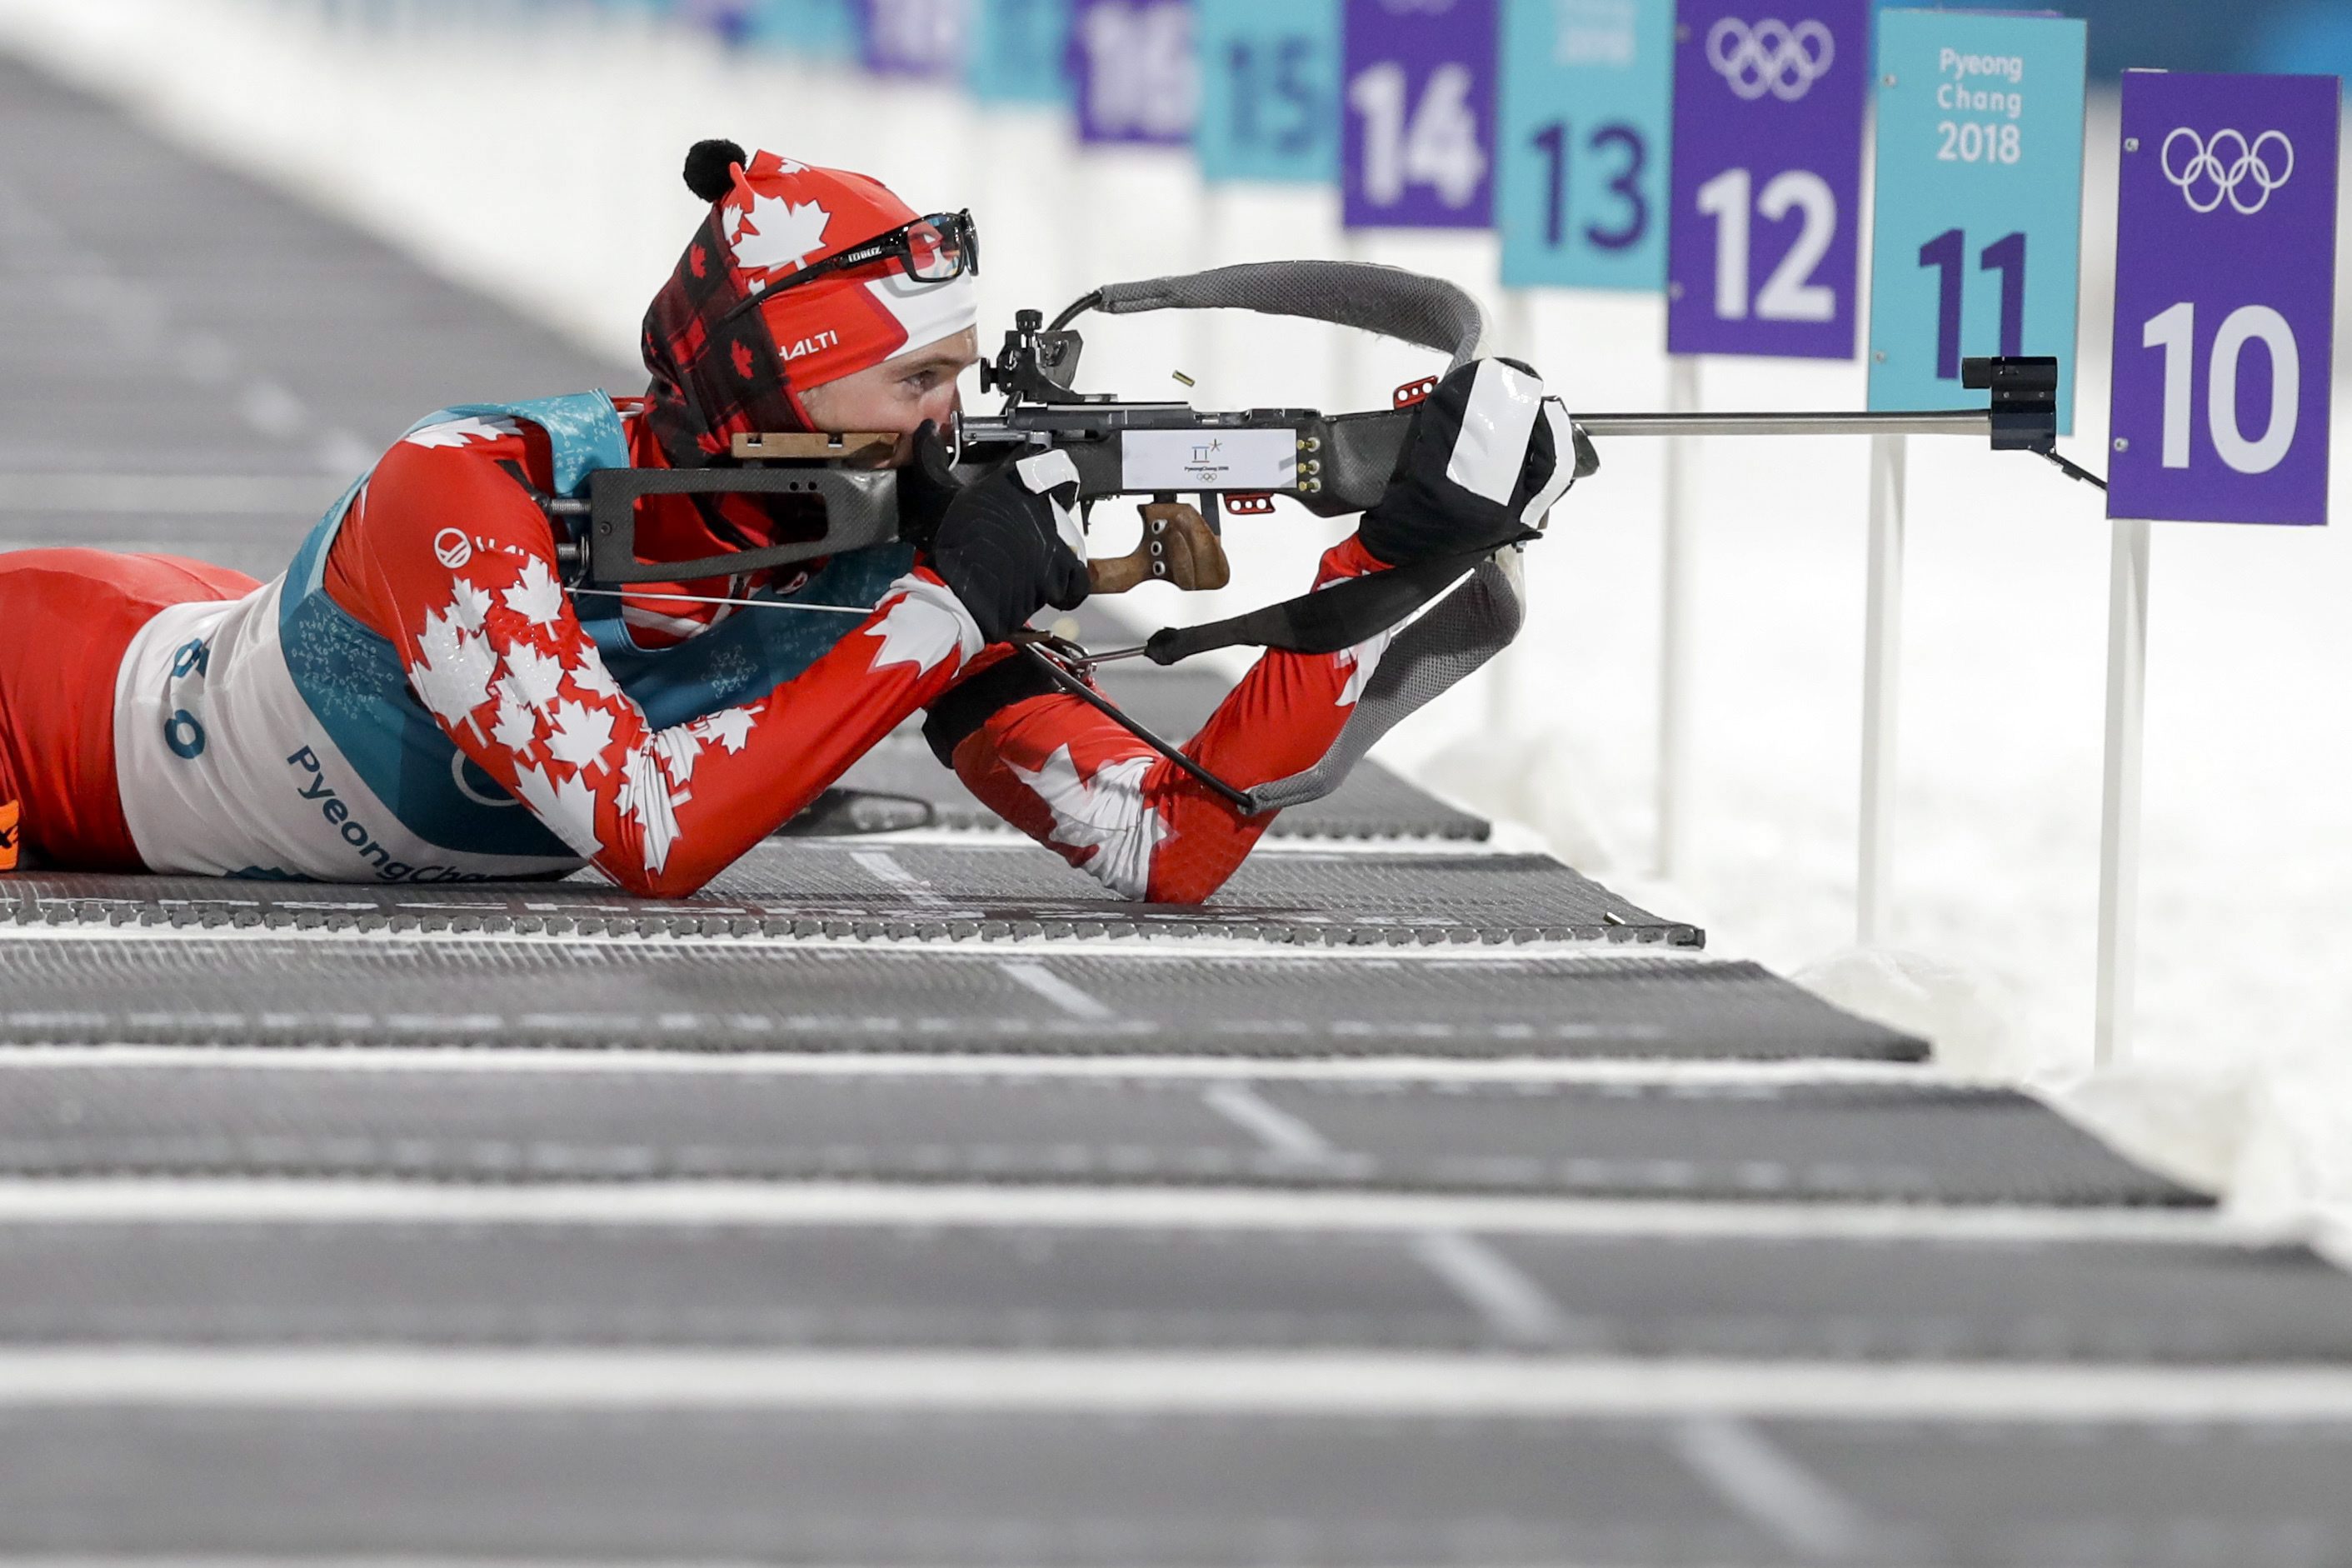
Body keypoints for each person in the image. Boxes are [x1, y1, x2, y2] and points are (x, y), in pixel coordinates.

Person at [0, 142, 1569, 900]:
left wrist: (1391, 558)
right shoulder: (460, 493)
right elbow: (651, 837)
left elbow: (1171, 839)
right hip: (45, 697)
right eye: (919, 382)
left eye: (964, 375)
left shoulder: (891, 544)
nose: (954, 421)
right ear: (773, 387)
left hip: (213, 650)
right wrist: (947, 608)